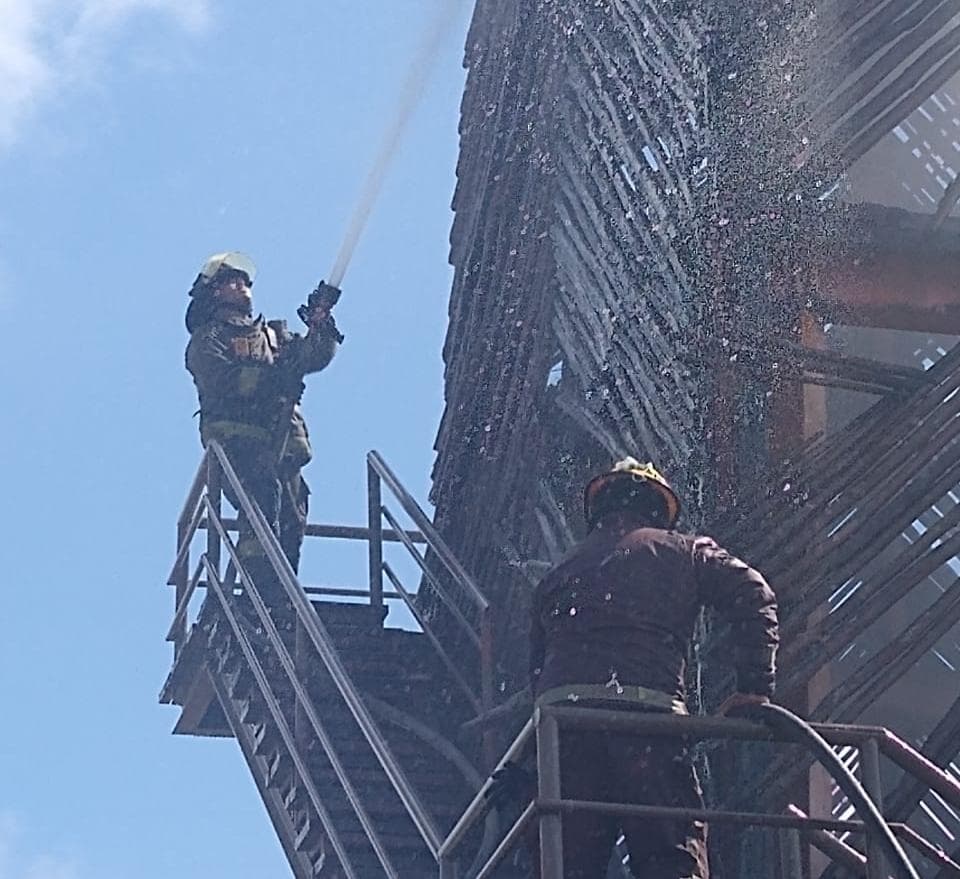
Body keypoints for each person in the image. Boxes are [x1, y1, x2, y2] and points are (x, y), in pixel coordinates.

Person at [528, 457, 780, 878]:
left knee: (564, 861)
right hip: (648, 728)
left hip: (566, 736)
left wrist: (529, 761)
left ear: (599, 509)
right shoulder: (685, 551)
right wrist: (755, 686)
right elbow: (754, 593)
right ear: (659, 509)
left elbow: (536, 677)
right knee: (671, 858)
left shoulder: (558, 576)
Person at [184, 251, 341, 596]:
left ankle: (284, 594)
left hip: (281, 443)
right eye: (230, 281)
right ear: (213, 294)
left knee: (292, 512)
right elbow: (224, 381)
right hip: (236, 440)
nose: (242, 286)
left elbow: (311, 357)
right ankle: (261, 593)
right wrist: (274, 377)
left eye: (244, 280)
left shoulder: (272, 336)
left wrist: (322, 325)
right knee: (262, 497)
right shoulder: (208, 340)